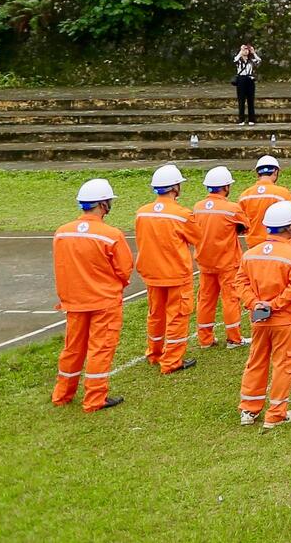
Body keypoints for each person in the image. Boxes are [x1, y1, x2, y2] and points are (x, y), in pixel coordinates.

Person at [52, 178, 134, 412]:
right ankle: (95, 398)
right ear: (103, 204)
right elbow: (124, 269)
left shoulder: (62, 233)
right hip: (104, 302)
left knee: (72, 348)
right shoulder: (111, 234)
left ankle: (62, 394)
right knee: (100, 349)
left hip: (75, 301)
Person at [234, 199, 291, 428]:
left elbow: (240, 282)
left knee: (256, 361)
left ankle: (249, 409)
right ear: (289, 227)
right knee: (285, 364)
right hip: (283, 320)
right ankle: (276, 413)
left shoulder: (251, 254)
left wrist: (255, 304)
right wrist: (274, 305)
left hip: (259, 319)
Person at [136, 165, 200, 375]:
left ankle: (154, 353)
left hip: (152, 273)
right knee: (177, 316)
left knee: (155, 314)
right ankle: (172, 360)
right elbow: (198, 238)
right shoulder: (182, 214)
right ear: (175, 187)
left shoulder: (142, 213)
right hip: (175, 274)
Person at [193, 167, 247, 349]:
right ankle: (234, 338)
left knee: (205, 300)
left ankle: (205, 340)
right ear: (226, 187)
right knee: (230, 299)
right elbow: (245, 226)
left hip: (205, 262)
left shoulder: (197, 207)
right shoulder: (232, 209)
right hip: (227, 263)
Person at [232, 42, 261, 125]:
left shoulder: (251, 60)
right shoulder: (239, 61)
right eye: (245, 50)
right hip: (241, 79)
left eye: (247, 50)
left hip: (249, 79)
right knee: (241, 100)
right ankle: (241, 119)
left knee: (250, 100)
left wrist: (253, 52)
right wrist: (241, 51)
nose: (246, 51)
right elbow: (235, 59)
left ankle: (251, 119)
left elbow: (259, 61)